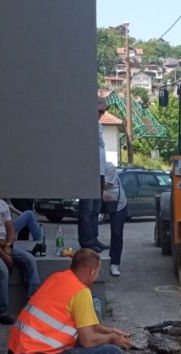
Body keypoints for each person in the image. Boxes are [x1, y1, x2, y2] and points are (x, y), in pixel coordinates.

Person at [77, 99, 110, 253]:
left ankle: (94, 238)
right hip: (89, 172)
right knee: (87, 209)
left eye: (104, 111)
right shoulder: (86, 126)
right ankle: (86, 241)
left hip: (99, 172)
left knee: (96, 209)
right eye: (100, 111)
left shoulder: (99, 126)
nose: (102, 114)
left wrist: (104, 177)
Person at [101, 160, 126, 277]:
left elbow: (105, 184)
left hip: (118, 204)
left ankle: (114, 263)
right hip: (101, 200)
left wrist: (101, 190)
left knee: (116, 233)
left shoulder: (108, 166)